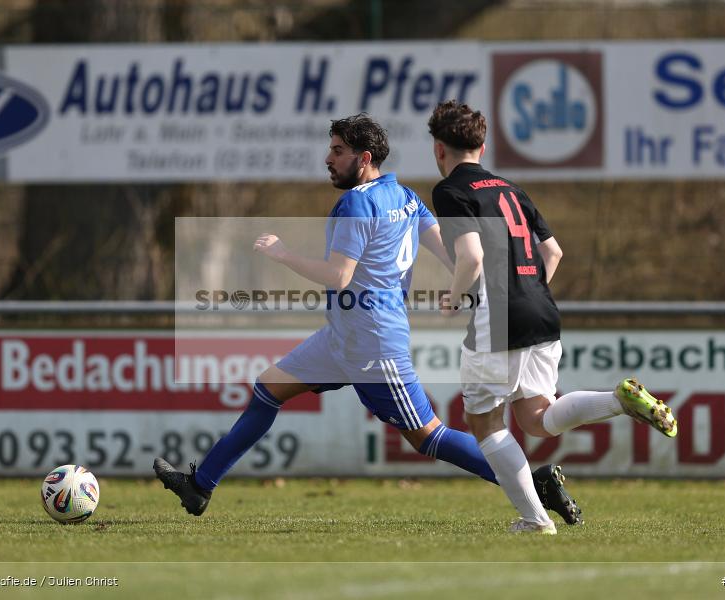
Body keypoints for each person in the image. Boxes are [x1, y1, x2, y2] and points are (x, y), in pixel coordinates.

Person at [154, 113, 579, 528]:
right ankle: (200, 485)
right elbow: (451, 255)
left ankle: (536, 486)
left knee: (427, 436)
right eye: (330, 149)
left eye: (338, 151)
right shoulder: (407, 197)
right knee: (268, 390)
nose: (328, 159)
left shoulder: (356, 204)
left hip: (374, 344)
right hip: (343, 336)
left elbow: (339, 277)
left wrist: (282, 253)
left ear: (365, 157)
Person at [427, 100, 678, 534]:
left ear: (439, 150)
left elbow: (470, 256)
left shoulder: (450, 190)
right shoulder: (511, 188)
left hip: (498, 318)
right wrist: (530, 290)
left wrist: (452, 299)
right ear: (482, 147)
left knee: (484, 423)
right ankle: (619, 400)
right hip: (542, 311)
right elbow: (553, 252)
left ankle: (535, 519)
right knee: (537, 419)